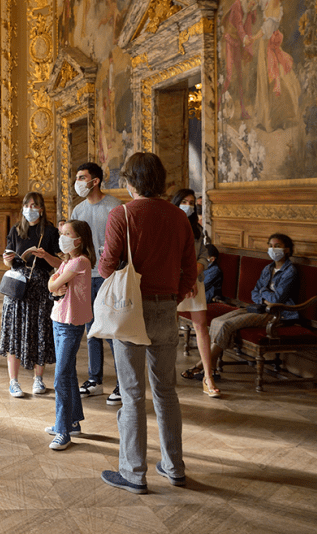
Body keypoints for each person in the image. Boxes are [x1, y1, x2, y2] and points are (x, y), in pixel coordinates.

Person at [97, 152, 196, 494]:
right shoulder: (178, 217)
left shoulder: (122, 214)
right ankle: (174, 466)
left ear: (129, 181)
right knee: (167, 392)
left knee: (133, 393)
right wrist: (173, 296)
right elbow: (190, 269)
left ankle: (134, 472)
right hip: (167, 308)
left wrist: (101, 267)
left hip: (130, 311)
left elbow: (108, 266)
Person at [204, 233, 299, 379]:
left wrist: (263, 293)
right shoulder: (268, 268)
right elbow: (254, 293)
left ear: (287, 250)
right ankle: (211, 369)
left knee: (227, 325)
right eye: (271, 246)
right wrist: (264, 296)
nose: (273, 249)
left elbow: (277, 299)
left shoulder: (290, 271)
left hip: (279, 314)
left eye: (277, 246)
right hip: (260, 308)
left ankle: (203, 366)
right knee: (218, 321)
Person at [0, 192, 61, 398]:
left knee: (39, 332)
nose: (30, 208)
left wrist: (47, 256)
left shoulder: (51, 232)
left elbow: (61, 263)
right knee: (14, 332)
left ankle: (38, 378)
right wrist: (8, 259)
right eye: (27, 205)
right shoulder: (16, 230)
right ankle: (13, 381)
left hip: (40, 287)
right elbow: (8, 261)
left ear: (41, 209)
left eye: (34, 205)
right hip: (17, 287)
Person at [70, 162, 122, 403]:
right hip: (84, 276)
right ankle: (95, 379)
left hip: (108, 277)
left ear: (96, 181)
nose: (78, 182)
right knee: (90, 330)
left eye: (83, 177)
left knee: (111, 330)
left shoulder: (114, 207)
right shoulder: (78, 211)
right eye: (77, 177)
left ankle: (122, 383)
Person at [46, 219, 96, 450]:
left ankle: (63, 431)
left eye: (68, 233)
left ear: (80, 239)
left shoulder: (81, 262)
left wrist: (55, 283)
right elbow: (51, 283)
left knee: (61, 377)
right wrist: (55, 283)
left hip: (71, 323)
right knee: (67, 373)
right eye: (61, 233)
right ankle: (72, 422)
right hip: (59, 319)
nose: (62, 237)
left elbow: (53, 285)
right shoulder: (67, 261)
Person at [171, 189, 220, 397]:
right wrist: (184, 278)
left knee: (201, 327)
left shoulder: (198, 229)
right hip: (173, 282)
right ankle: (166, 375)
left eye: (191, 202)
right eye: (184, 201)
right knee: (169, 329)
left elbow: (203, 256)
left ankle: (208, 376)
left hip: (194, 283)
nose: (188, 205)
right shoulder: (167, 225)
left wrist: (191, 277)